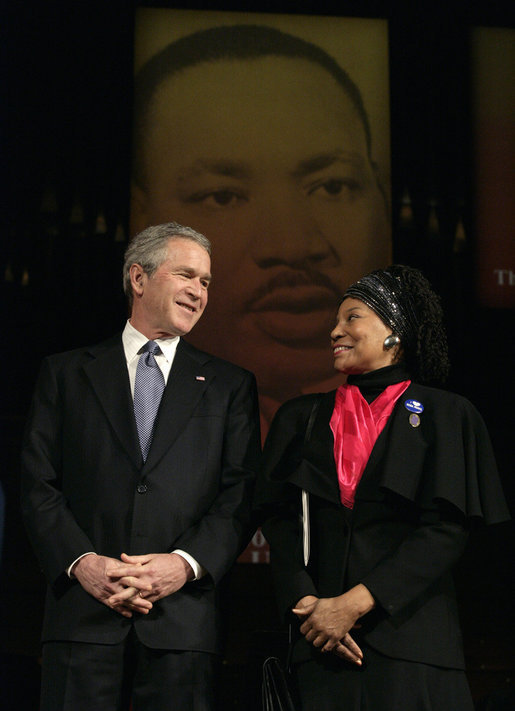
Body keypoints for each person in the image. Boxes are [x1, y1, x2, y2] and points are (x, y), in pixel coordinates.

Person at [20, 222, 261, 710]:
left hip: (182, 624)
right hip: (83, 617)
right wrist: (82, 564)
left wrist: (182, 566)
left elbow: (240, 493)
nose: (198, 292)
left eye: (207, 283)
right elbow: (36, 483)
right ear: (138, 278)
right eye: (187, 276)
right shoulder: (66, 374)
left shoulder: (229, 385)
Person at [255, 264, 509, 710]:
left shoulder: (447, 415)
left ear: (396, 331)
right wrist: (310, 607)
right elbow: (280, 523)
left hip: (412, 645)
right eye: (336, 321)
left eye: (351, 317)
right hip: (320, 649)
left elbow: (446, 530)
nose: (335, 331)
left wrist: (353, 604)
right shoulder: (301, 418)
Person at [130, 24, 390, 430]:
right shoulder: (106, 395)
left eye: (332, 187)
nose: (291, 244)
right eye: (222, 196)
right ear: (142, 217)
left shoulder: (430, 422)